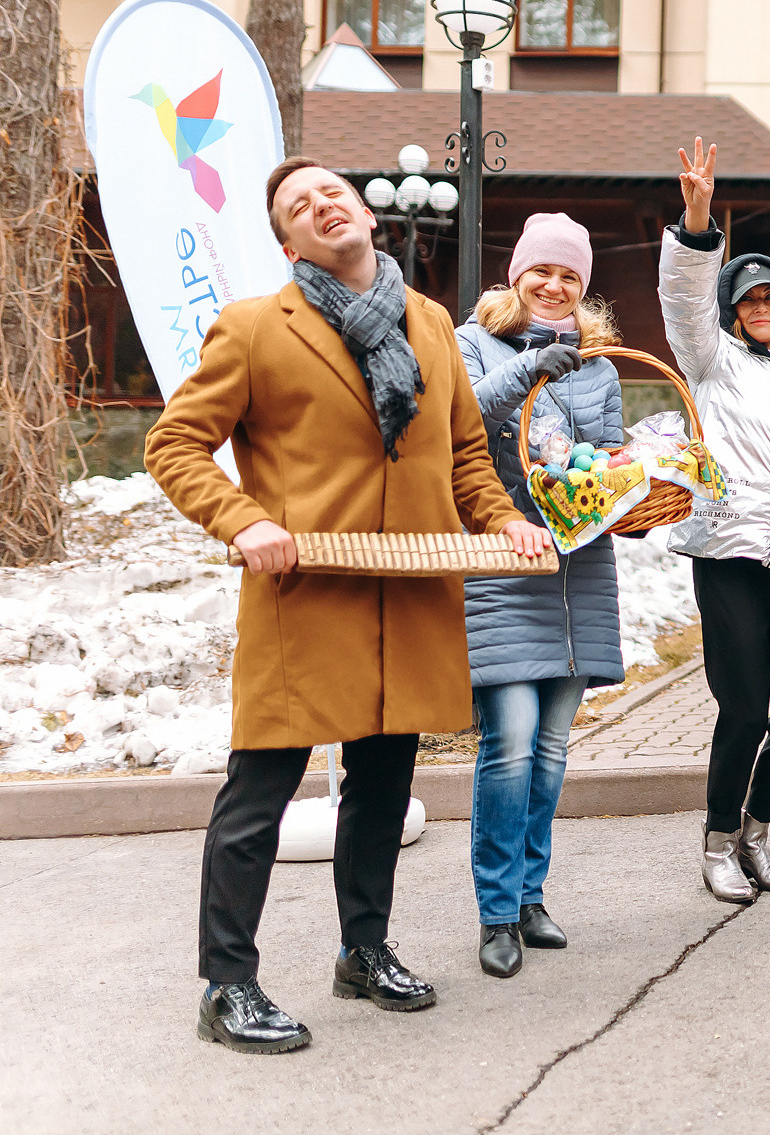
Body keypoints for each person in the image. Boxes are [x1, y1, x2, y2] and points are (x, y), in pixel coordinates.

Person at [145, 157, 550, 1055]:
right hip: (306, 596)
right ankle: (226, 984)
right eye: (298, 206)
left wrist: (503, 520)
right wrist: (242, 519)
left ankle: (363, 952)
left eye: (331, 192)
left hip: (409, 597)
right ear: (289, 244)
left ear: (364, 213)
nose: (320, 205)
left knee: (382, 787)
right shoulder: (255, 328)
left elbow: (464, 455)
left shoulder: (430, 323)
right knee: (259, 794)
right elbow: (174, 444)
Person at [659, 138, 770, 904]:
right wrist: (698, 223)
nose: (760, 308)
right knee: (742, 707)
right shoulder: (712, 361)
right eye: (747, 300)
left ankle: (756, 833)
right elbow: (683, 302)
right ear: (732, 312)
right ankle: (715, 844)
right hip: (728, 551)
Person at [455, 212, 625, 977]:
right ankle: (495, 912)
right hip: (503, 559)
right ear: (516, 275)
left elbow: (609, 461)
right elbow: (458, 423)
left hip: (577, 571)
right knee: (511, 741)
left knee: (552, 749)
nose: (553, 286)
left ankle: (530, 896)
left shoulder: (602, 366)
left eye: (568, 276)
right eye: (542, 272)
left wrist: (631, 483)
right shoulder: (473, 342)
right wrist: (532, 367)